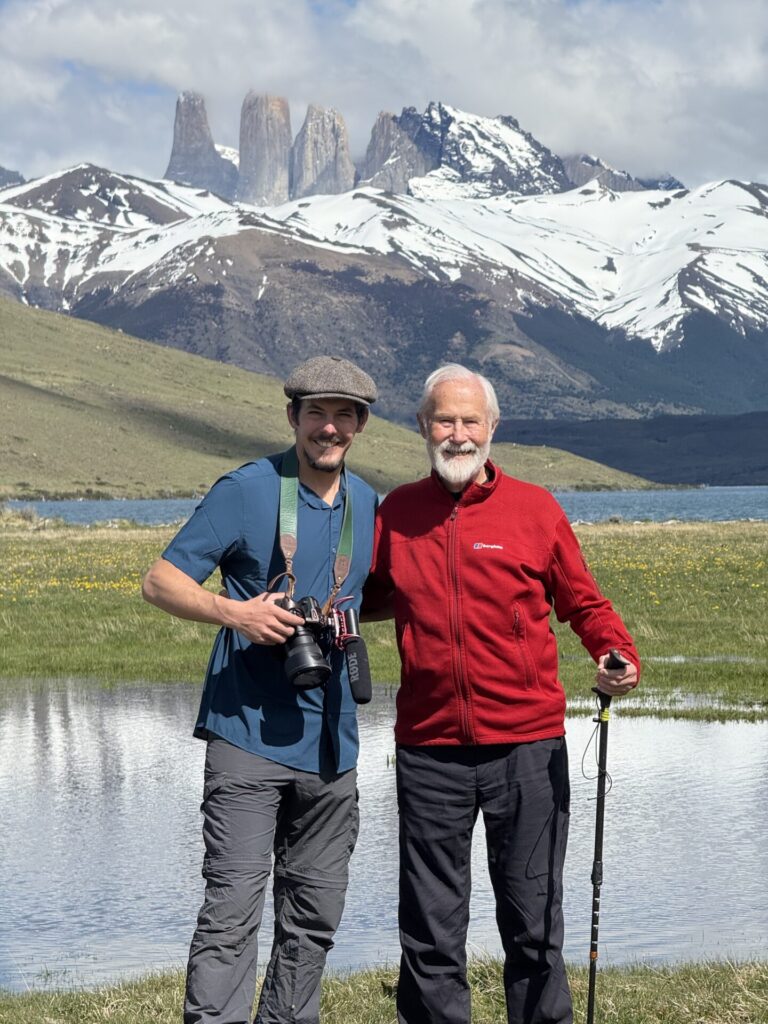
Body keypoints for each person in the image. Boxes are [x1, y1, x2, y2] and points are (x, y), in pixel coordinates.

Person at [363, 363, 640, 1024]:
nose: (457, 434)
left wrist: (617, 653)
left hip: (527, 747)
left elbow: (584, 603)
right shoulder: (396, 512)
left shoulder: (534, 509)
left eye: (470, 421)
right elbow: (363, 595)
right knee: (429, 929)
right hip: (429, 748)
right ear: (422, 426)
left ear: (491, 428)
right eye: (444, 420)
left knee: (533, 921)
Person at [142, 355, 379, 1024]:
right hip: (245, 737)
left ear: (360, 425)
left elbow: (375, 593)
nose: (328, 427)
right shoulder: (247, 489)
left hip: (332, 743)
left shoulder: (368, 502)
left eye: (343, 415)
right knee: (231, 912)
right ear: (292, 417)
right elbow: (160, 582)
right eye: (316, 413)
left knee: (314, 917)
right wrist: (237, 614)